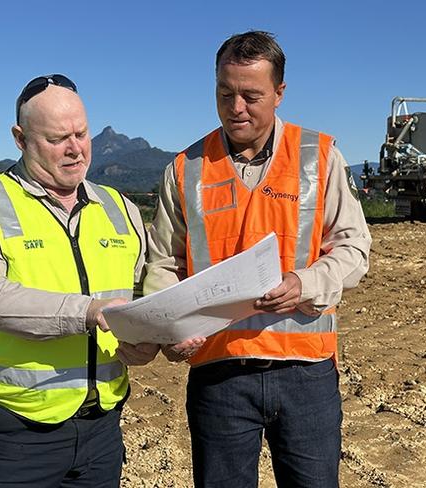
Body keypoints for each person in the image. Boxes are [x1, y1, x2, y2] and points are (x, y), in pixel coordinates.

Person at [145, 31, 372, 487]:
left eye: (251, 96)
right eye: (225, 93)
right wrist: (168, 330)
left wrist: (305, 283)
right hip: (220, 376)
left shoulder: (319, 156)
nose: (236, 108)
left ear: (280, 93)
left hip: (305, 374)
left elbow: (353, 248)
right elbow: (163, 263)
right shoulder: (186, 168)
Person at [0, 74, 165, 487]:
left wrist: (156, 335)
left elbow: (145, 290)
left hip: (102, 426)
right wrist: (89, 312)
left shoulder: (121, 208)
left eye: (81, 133)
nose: (75, 148)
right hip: (12, 430)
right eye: (57, 138)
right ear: (20, 138)